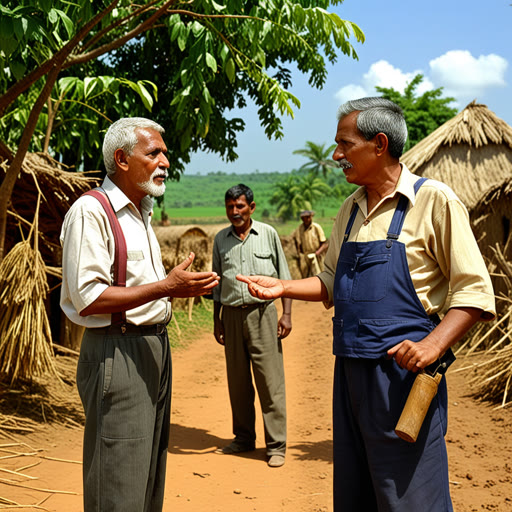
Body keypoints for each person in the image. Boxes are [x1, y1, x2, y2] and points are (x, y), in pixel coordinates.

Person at [237, 98, 496, 510]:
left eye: (344, 144)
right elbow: (329, 283)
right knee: (358, 492)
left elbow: (475, 292)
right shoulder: (350, 209)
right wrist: (282, 287)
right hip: (351, 374)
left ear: (379, 144)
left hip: (403, 380)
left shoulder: (434, 202)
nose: (336, 155)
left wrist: (433, 346)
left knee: (409, 497)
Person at [60, 117, 219, 512]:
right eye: (154, 153)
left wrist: (168, 288)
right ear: (122, 159)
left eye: (165, 153)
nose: (166, 161)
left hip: (153, 349)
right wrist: (167, 287)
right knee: (118, 477)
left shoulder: (141, 211)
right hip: (118, 352)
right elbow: (88, 298)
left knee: (148, 473)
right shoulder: (91, 212)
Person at [212, 184, 293, 468]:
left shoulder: (268, 234)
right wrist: (217, 320)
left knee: (270, 381)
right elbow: (217, 285)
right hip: (231, 316)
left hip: (262, 315)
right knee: (238, 383)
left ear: (252, 207)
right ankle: (244, 438)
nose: (235, 212)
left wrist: (286, 314)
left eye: (240, 206)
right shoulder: (220, 240)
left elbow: (284, 276)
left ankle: (276, 445)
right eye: (230, 206)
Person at [292, 209, 328, 277]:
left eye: (308, 217)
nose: (307, 219)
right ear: (302, 218)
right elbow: (298, 243)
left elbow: (323, 243)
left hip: (316, 255)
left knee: (318, 274)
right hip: (305, 256)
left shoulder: (316, 227)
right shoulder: (300, 228)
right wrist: (299, 255)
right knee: (306, 276)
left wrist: (318, 252)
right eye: (305, 218)